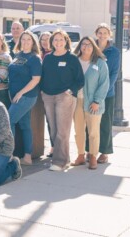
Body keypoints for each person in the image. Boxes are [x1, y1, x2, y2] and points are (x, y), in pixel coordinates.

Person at [41, 30, 84, 171]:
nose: (58, 42)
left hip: (64, 97)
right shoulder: (47, 58)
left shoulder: (71, 58)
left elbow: (80, 80)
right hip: (48, 96)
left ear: (66, 41)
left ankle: (59, 162)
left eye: (61, 40)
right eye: (55, 40)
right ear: (52, 42)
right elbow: (43, 76)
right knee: (53, 130)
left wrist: (70, 91)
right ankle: (65, 158)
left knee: (62, 131)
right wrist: (42, 91)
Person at [71, 37, 109, 170]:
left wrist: (97, 101)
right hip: (77, 101)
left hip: (93, 102)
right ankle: (81, 155)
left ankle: (93, 157)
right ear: (80, 46)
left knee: (93, 131)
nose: (86, 46)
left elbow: (104, 84)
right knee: (78, 130)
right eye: (83, 44)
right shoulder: (74, 61)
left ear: (94, 47)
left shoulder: (100, 63)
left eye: (89, 44)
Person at [8, 31, 42, 166]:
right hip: (16, 95)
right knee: (25, 125)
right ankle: (27, 157)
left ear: (33, 42)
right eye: (24, 39)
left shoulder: (35, 58)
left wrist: (20, 93)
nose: (26, 42)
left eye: (29, 39)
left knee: (8, 121)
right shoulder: (18, 55)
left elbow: (36, 80)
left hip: (26, 96)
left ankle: (9, 154)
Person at [93, 23, 120, 164]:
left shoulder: (114, 52)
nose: (102, 35)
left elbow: (114, 73)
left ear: (109, 35)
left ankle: (104, 152)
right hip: (90, 92)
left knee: (105, 123)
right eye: (100, 32)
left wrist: (103, 92)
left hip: (107, 94)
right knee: (90, 124)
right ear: (96, 34)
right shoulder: (91, 48)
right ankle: (91, 150)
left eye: (105, 33)